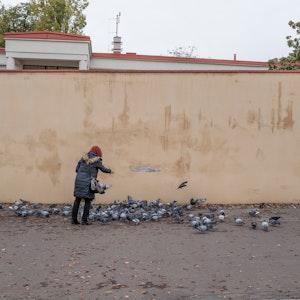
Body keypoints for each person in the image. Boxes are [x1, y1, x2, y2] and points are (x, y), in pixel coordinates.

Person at [72, 145, 113, 225]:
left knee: (77, 200)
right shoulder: (96, 160)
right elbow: (103, 169)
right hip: (88, 182)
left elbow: (77, 169)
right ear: (98, 153)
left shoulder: (83, 158)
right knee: (88, 200)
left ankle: (74, 220)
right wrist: (110, 171)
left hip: (79, 180)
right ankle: (84, 220)